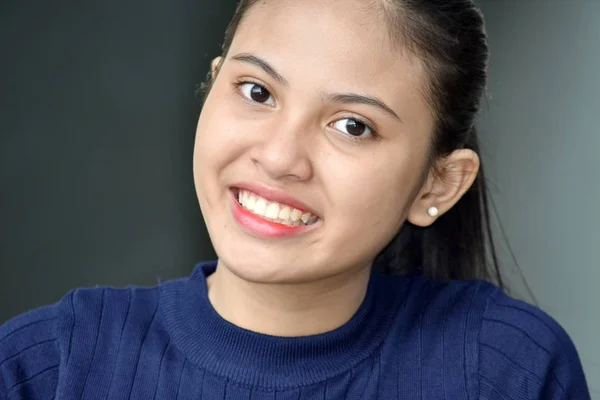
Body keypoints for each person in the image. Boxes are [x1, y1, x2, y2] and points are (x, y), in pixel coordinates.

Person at [0, 0, 590, 398]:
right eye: (256, 91)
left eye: (352, 126)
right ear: (212, 85)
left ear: (438, 183)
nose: (280, 157)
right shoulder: (50, 366)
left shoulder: (508, 369)